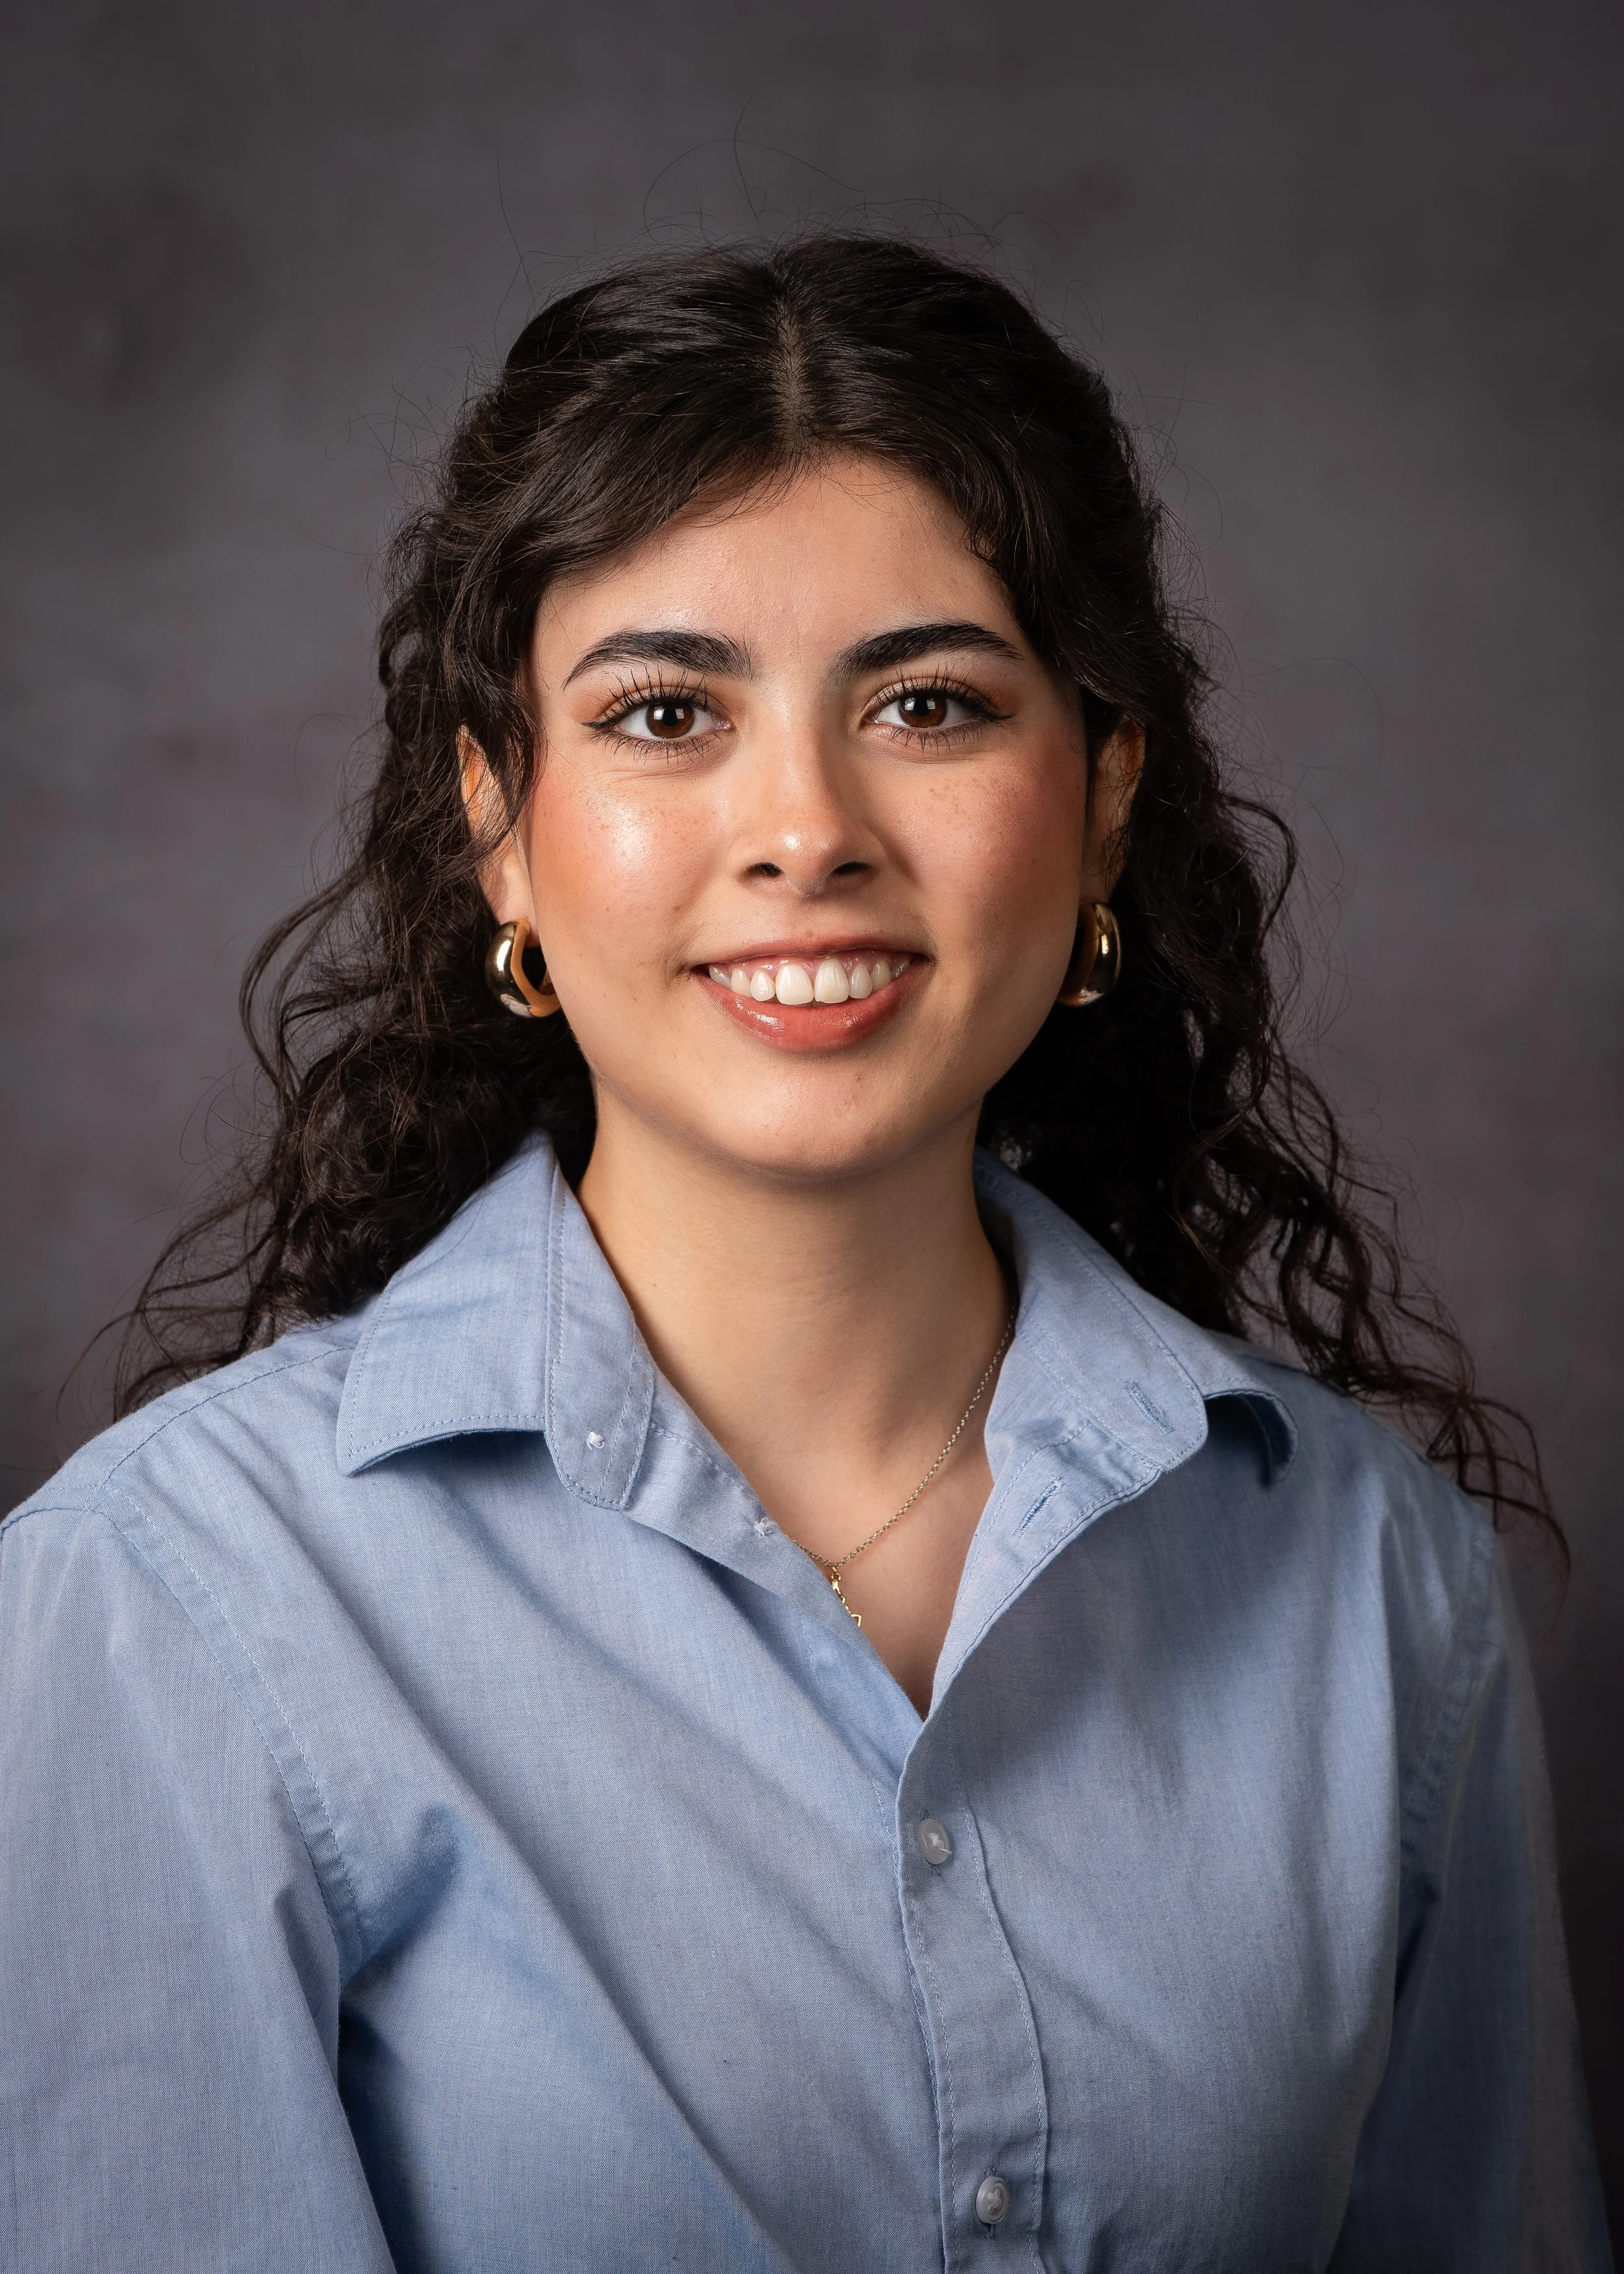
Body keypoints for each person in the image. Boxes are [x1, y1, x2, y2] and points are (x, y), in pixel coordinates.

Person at [0, 235, 1608, 2272]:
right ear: (497, 818)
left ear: (1104, 795)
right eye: (666, 710)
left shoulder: (1372, 1577)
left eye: (926, 702)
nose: (805, 827)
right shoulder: (172, 1601)